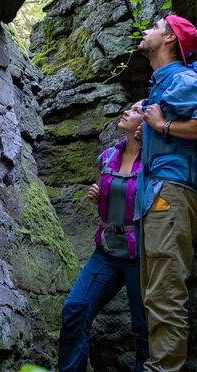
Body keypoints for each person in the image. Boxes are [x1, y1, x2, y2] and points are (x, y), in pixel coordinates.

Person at [134, 15, 197, 372]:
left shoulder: (180, 78)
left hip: (171, 195)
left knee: (165, 292)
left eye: (154, 27)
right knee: (157, 291)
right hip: (161, 195)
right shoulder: (163, 85)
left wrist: (163, 126)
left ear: (171, 38)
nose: (146, 32)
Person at [57, 102, 151, 372]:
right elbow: (108, 196)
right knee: (75, 309)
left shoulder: (155, 160)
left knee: (144, 328)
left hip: (141, 256)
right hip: (107, 252)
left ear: (145, 123)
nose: (126, 112)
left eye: (134, 111)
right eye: (129, 108)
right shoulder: (108, 156)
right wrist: (98, 194)